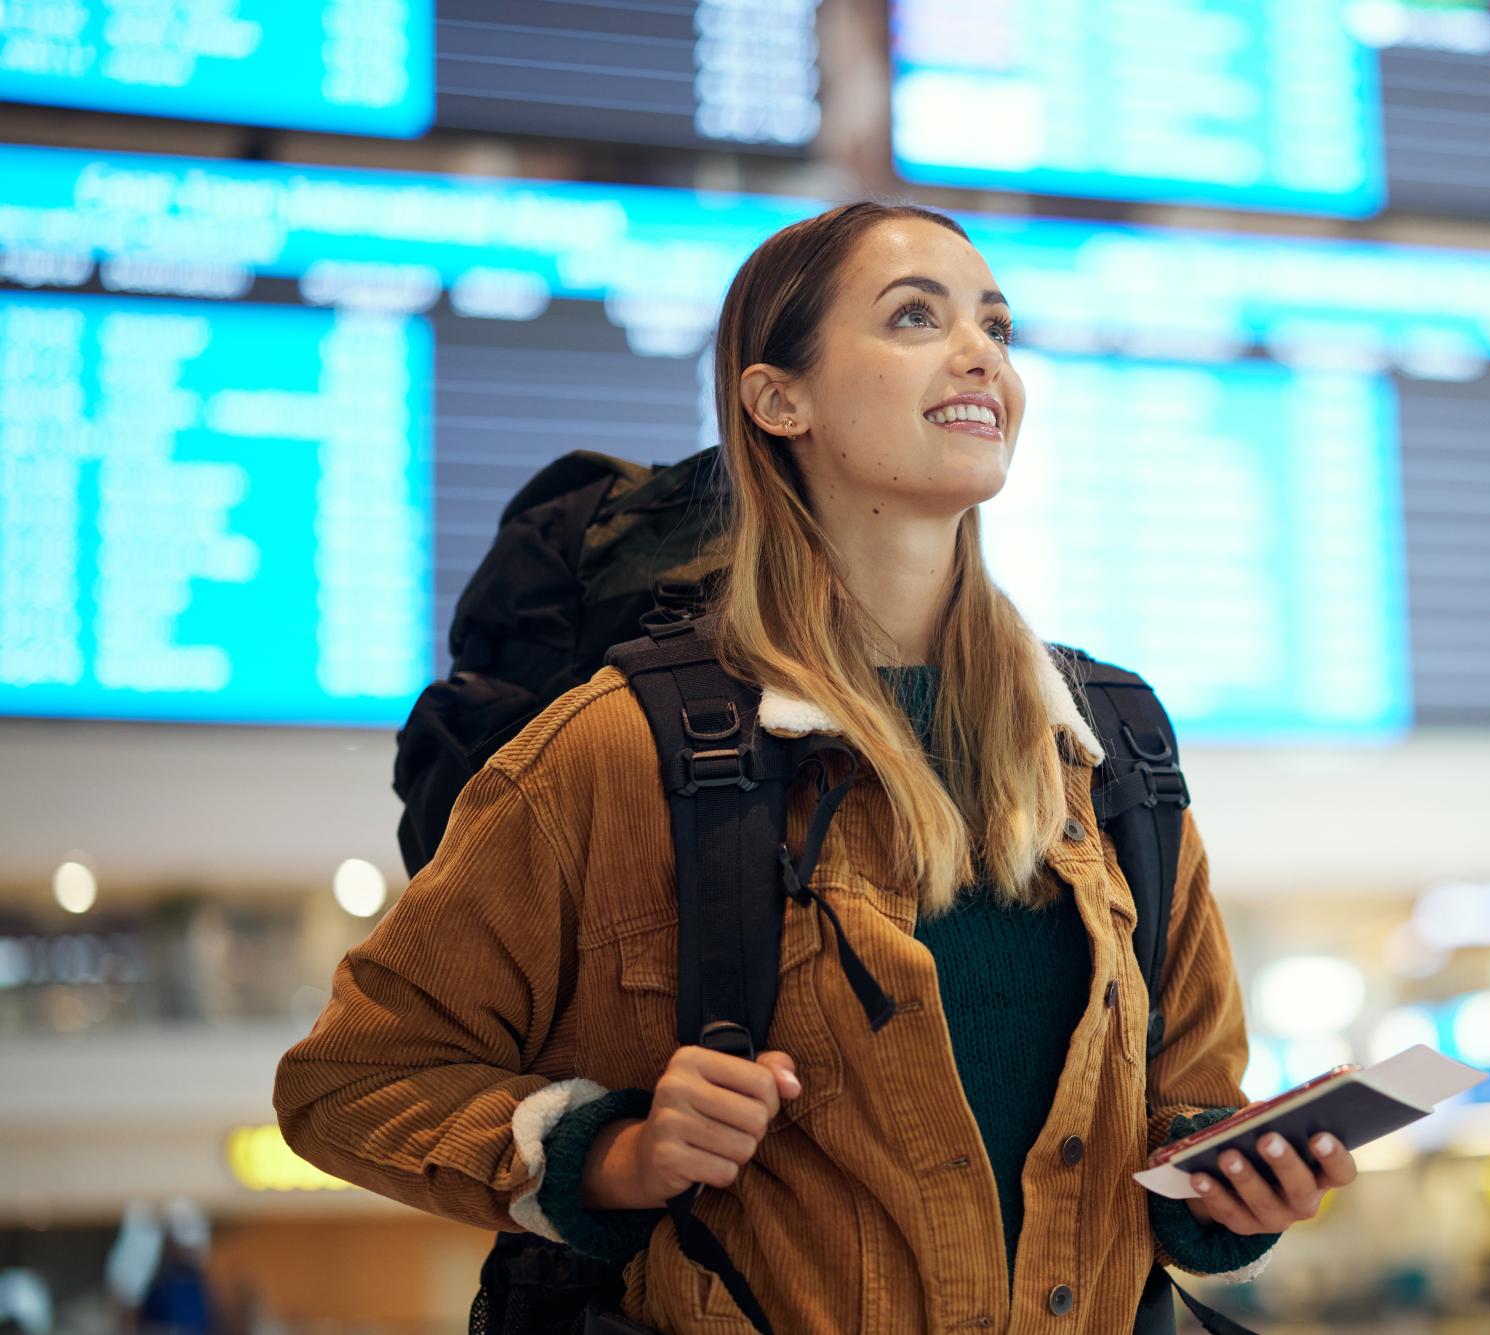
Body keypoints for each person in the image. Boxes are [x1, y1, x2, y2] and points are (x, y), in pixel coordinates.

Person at [274, 201, 1357, 1332]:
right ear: (775, 399)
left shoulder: (1108, 749)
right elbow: (349, 1080)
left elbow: (1185, 1107)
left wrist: (1224, 1193)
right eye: (914, 318)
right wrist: (611, 1155)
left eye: (996, 325)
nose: (980, 351)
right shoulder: (622, 749)